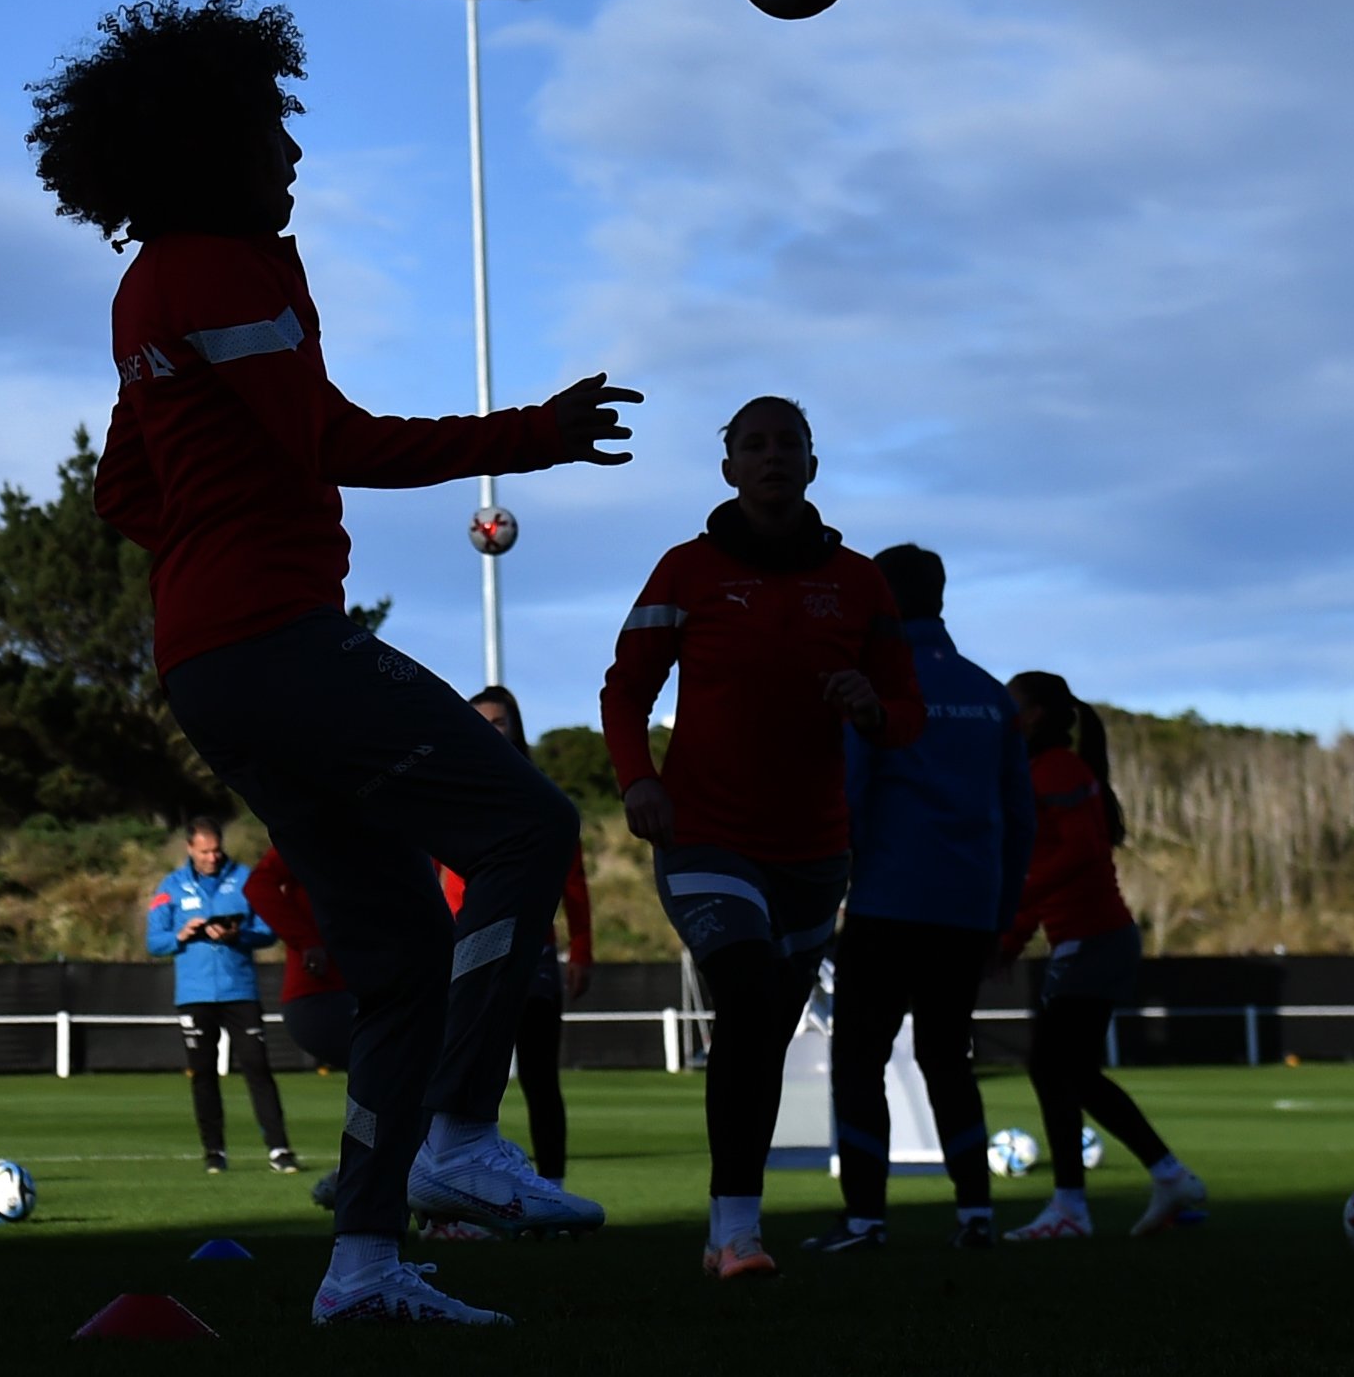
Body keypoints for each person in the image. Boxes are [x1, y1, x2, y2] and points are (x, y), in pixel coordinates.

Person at [32, 0, 640, 1327]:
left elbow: (121, 492)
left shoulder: (155, 284)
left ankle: (362, 1266)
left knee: (399, 960)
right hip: (274, 640)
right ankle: (460, 1140)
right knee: (528, 827)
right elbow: (336, 441)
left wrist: (216, 527)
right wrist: (528, 431)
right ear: (210, 148)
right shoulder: (217, 268)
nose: (292, 151)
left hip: (216, 659)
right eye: (270, 130)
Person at [601, 396, 927, 1281]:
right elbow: (623, 691)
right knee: (745, 1000)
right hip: (705, 836)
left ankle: (726, 1234)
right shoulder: (685, 570)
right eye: (755, 444)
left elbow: (906, 717)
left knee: (761, 1038)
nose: (773, 456)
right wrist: (638, 781)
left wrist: (872, 707)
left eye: (790, 444)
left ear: (813, 466)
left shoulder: (860, 583)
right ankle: (736, 1233)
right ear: (729, 468)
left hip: (816, 853)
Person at [805, 544, 1034, 1255]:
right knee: (947, 1058)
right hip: (968, 910)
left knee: (858, 1060)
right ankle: (975, 1216)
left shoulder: (880, 687)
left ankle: (866, 1221)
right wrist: (1002, 919)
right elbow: (1019, 818)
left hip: (889, 900)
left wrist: (833, 885)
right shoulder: (990, 694)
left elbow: (852, 795)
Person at [997, 672, 1205, 1243]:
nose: (1001, 712)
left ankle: (1075, 1206)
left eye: (1010, 703)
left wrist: (1015, 911)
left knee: (1054, 1067)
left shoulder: (1055, 771)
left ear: (1035, 715)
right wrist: (1014, 935)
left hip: (1095, 940)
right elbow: (1051, 867)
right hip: (1089, 940)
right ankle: (1164, 1177)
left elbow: (1078, 856)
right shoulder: (1049, 770)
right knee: (1071, 1071)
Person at [438, 685, 595, 1187]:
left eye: (499, 722)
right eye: (479, 723)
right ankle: (459, 1180)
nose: (490, 732)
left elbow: (573, 881)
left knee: (539, 1076)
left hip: (532, 951)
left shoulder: (541, 794)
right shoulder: (449, 792)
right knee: (460, 1072)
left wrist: (583, 950)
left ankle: (551, 1186)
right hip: (464, 949)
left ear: (516, 728)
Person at [145, 817, 294, 1175]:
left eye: (217, 850)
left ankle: (280, 1150)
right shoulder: (172, 886)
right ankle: (214, 1152)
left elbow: (269, 931)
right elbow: (155, 941)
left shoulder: (245, 879)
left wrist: (236, 935)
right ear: (190, 849)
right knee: (203, 1074)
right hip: (194, 995)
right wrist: (182, 934)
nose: (212, 857)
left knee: (258, 1069)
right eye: (205, 851)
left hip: (239, 990)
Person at [246, 843, 355, 1074]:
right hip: (323, 990)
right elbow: (259, 885)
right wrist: (307, 941)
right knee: (383, 1074)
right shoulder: (316, 825)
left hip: (379, 986)